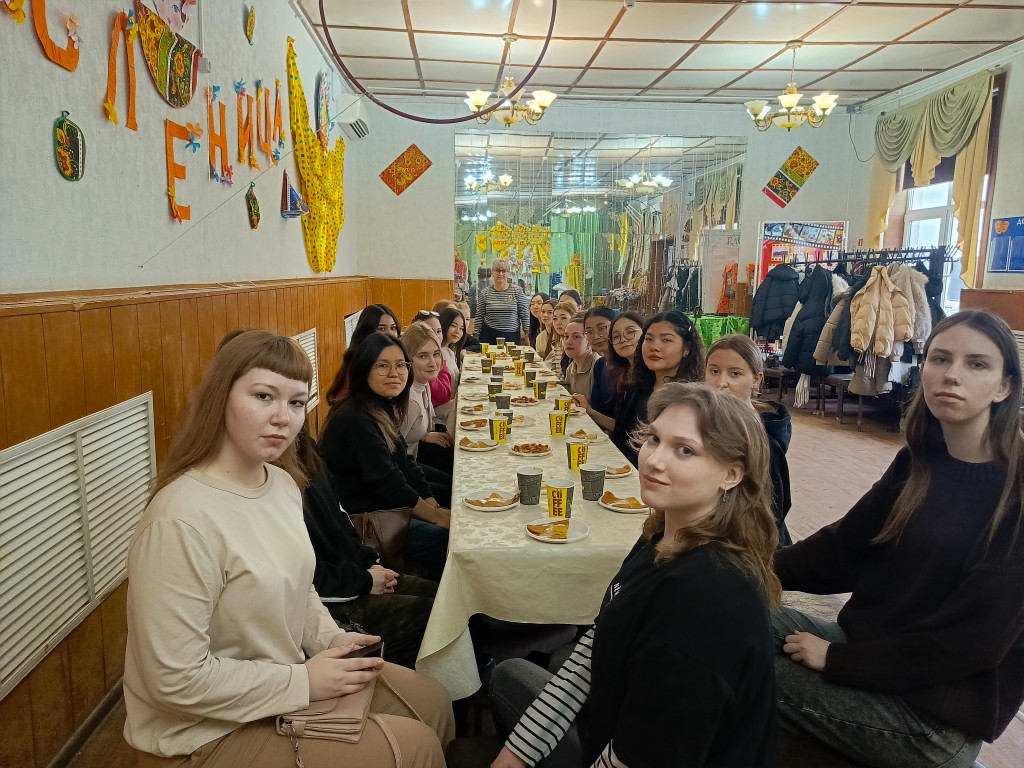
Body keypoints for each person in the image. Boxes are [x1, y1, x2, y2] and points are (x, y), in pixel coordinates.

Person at [123, 330, 453, 768]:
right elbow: (173, 680)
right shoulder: (179, 521)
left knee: (434, 701)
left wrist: (331, 638)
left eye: (296, 402)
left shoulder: (280, 482)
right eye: (264, 396)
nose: (283, 417)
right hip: (202, 733)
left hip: (284, 679)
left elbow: (302, 586)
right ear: (221, 397)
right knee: (417, 746)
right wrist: (303, 682)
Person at [773, 309, 1024, 768]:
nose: (952, 375)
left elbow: (969, 643)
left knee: (729, 654)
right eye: (940, 359)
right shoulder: (920, 461)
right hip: (867, 652)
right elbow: (842, 550)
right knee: (729, 604)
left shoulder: (1016, 493)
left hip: (933, 722)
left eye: (977, 364)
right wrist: (743, 565)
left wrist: (838, 661)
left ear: (1004, 387)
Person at [489, 383, 781, 768]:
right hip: (615, 728)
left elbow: (644, 755)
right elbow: (596, 644)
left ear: (731, 474)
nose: (654, 460)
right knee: (510, 675)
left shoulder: (709, 597)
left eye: (685, 450)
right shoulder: (663, 535)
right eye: (655, 439)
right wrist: (516, 753)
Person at [297, 424, 439, 670]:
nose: (283, 417)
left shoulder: (306, 448)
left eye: (296, 405)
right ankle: (409, 683)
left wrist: (369, 562)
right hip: (330, 600)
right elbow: (301, 581)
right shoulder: (353, 423)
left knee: (444, 598)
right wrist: (363, 580)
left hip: (351, 576)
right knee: (433, 614)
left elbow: (341, 518)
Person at [319, 333, 451, 581]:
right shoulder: (356, 419)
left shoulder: (379, 405)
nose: (394, 373)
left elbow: (406, 464)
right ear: (363, 370)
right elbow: (388, 484)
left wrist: (434, 506)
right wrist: (436, 517)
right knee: (448, 539)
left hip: (385, 509)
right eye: (382, 365)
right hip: (364, 523)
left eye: (400, 365)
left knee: (449, 512)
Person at [706, 334, 793, 547]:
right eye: (714, 371)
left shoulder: (766, 443)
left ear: (756, 379)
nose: (721, 383)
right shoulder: (702, 422)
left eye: (735, 374)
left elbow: (775, 512)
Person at [611, 311, 704, 467]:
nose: (654, 347)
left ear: (686, 349)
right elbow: (621, 437)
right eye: (648, 339)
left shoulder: (692, 400)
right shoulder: (636, 388)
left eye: (666, 340)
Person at [401, 322, 454, 475]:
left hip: (416, 457)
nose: (433, 363)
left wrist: (425, 436)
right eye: (423, 356)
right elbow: (392, 452)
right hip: (406, 467)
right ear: (407, 359)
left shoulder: (423, 384)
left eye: (436, 354)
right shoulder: (410, 401)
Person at [326, 303, 401, 405]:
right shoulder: (360, 362)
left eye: (393, 328)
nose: (390, 334)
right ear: (367, 333)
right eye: (382, 329)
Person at [476, 258, 530, 345]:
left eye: (504, 271)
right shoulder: (485, 293)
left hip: (512, 336)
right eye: (497, 270)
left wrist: (527, 334)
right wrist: (475, 335)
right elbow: (479, 316)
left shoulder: (517, 291)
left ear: (508, 273)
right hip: (489, 335)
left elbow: (524, 314)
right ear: (492, 272)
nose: (500, 274)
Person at [411, 310, 453, 413]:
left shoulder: (443, 354)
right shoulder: (420, 364)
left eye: (439, 331)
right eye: (430, 331)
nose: (436, 336)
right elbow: (443, 395)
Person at [581, 306, 618, 418]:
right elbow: (597, 408)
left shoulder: (629, 367)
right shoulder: (600, 365)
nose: (596, 336)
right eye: (589, 332)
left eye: (602, 328)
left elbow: (625, 424)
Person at [562, 313, 601, 401]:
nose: (568, 342)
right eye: (566, 337)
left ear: (589, 341)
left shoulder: (597, 367)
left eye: (576, 337)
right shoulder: (570, 368)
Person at [548, 301, 575, 373]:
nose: (558, 323)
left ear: (573, 318)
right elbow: (554, 367)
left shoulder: (575, 342)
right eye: (555, 319)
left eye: (563, 318)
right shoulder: (557, 340)